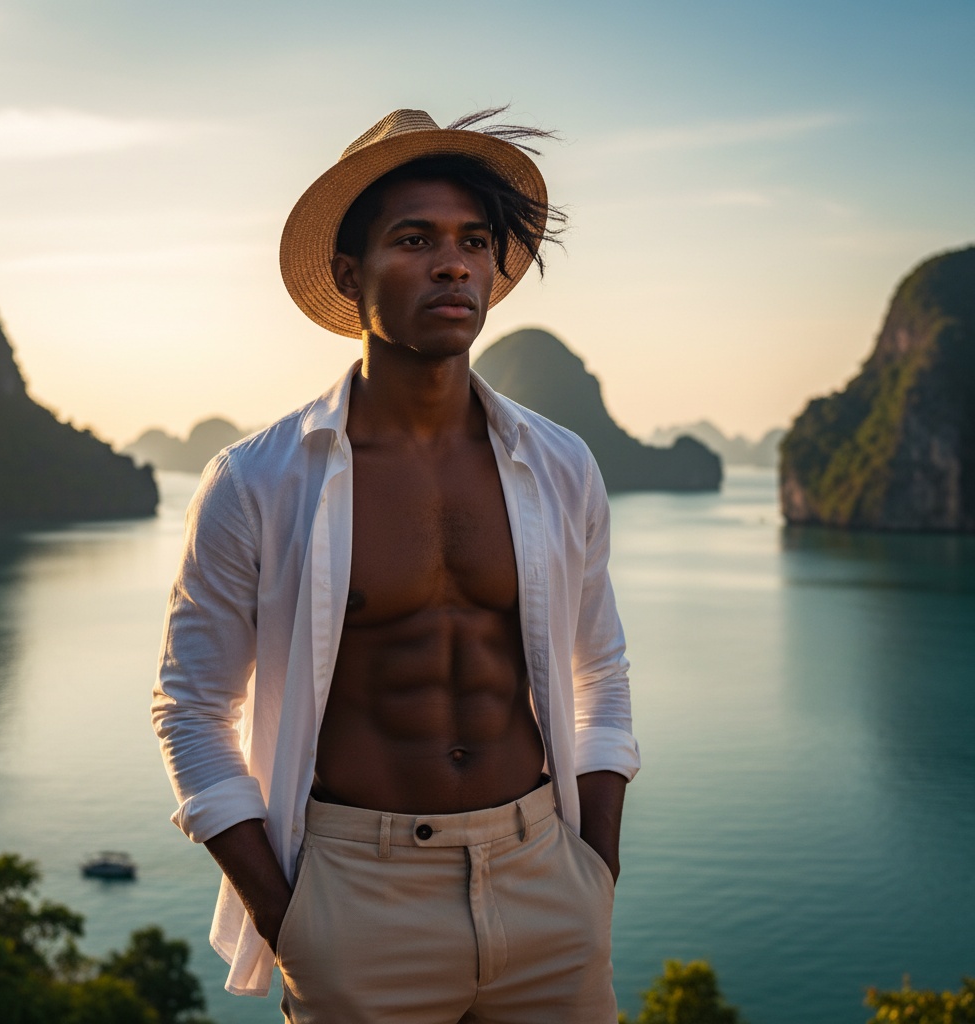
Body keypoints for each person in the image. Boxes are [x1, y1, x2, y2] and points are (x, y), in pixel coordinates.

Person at [152, 107, 640, 1024]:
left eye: (474, 241)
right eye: (414, 239)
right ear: (349, 273)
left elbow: (600, 668)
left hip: (545, 879)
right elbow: (189, 708)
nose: (453, 263)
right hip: (355, 897)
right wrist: (291, 918)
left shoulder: (560, 463)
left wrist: (593, 869)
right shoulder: (258, 482)